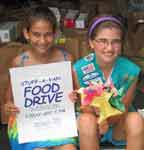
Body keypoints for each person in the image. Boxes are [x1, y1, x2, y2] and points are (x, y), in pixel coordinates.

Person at [4, 5, 77, 150]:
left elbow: (77, 91)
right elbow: (9, 96)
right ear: (26, 33)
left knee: (69, 148)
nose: (42, 41)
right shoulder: (19, 62)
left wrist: (75, 96)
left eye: (48, 34)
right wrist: (8, 105)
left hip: (58, 120)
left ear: (55, 33)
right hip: (29, 124)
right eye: (37, 34)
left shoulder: (66, 59)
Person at [71, 15, 144, 150]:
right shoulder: (79, 69)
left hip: (119, 124)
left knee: (136, 120)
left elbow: (123, 108)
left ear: (121, 44)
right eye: (102, 41)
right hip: (93, 127)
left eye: (115, 42)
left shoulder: (131, 70)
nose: (109, 48)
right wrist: (99, 119)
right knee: (86, 120)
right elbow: (83, 106)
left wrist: (106, 119)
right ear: (91, 42)